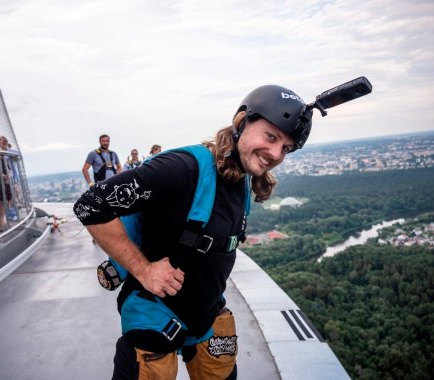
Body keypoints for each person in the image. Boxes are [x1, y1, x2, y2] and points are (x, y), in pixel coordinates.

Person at [73, 84, 313, 379]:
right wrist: (144, 269)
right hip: (154, 313)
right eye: (271, 136)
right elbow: (91, 205)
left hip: (206, 313)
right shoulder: (183, 168)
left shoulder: (241, 177)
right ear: (242, 121)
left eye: (286, 148)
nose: (275, 153)